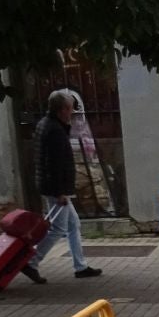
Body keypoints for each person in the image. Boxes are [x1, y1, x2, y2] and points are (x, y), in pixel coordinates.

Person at [28, 89, 101, 282]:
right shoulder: (54, 130)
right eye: (69, 108)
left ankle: (80, 266)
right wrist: (61, 191)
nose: (71, 112)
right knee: (58, 228)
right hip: (55, 188)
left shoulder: (48, 125)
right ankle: (31, 262)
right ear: (62, 109)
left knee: (73, 224)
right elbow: (54, 164)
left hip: (51, 185)